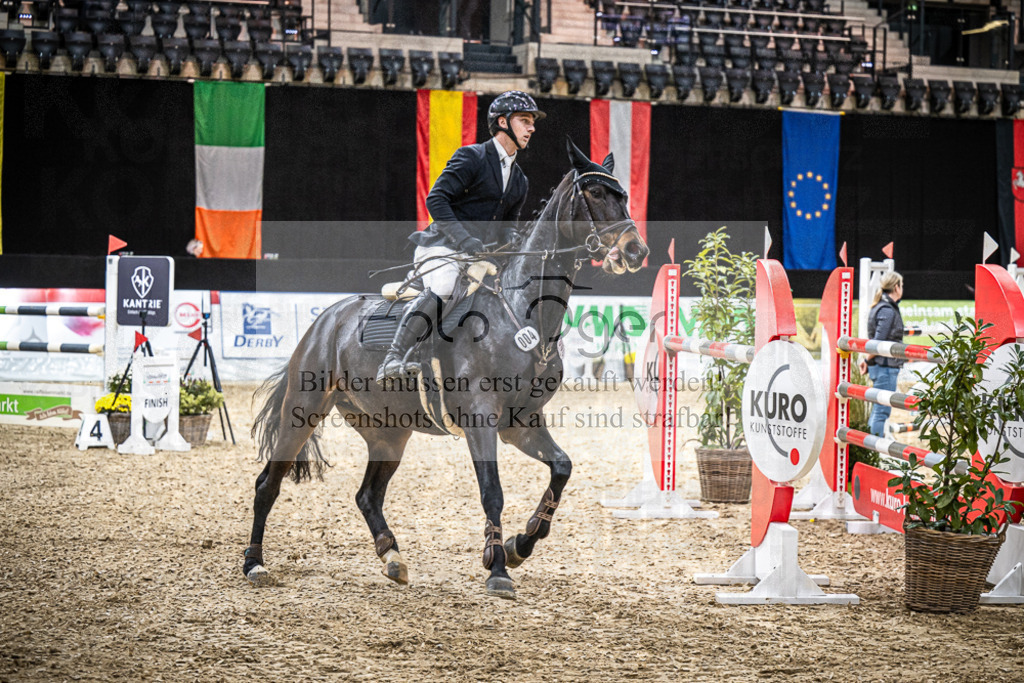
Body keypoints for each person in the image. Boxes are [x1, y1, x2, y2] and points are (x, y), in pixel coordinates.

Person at [376, 90, 544, 383]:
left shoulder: (520, 179)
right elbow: (436, 200)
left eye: (532, 122)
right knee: (444, 286)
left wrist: (514, 238)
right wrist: (465, 240)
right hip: (443, 247)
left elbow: (509, 223)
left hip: (481, 259)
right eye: (525, 120)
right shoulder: (472, 157)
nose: (531, 128)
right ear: (502, 122)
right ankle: (393, 356)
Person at [858, 271, 905, 436]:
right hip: (885, 367)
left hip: (881, 366)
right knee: (881, 412)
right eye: (901, 285)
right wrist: (866, 359)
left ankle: (870, 445)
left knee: (878, 410)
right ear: (896, 287)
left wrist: (867, 360)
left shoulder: (881, 306)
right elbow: (878, 342)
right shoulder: (887, 310)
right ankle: (873, 447)